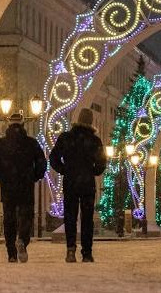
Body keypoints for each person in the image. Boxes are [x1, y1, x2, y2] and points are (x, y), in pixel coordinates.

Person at [50, 108, 107, 263]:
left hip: (71, 182)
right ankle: (87, 253)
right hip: (87, 183)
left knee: (70, 217)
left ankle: (70, 249)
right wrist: (93, 171)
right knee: (87, 218)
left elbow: (53, 157)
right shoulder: (95, 141)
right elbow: (102, 162)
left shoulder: (66, 138)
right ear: (90, 122)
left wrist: (64, 169)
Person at [0, 113, 47, 263]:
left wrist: (0, 178)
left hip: (8, 187)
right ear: (23, 125)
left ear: (9, 125)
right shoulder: (31, 143)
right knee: (25, 216)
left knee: (9, 219)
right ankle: (22, 239)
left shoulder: (1, 144)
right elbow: (42, 162)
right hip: (25, 186)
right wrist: (34, 176)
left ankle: (11, 253)